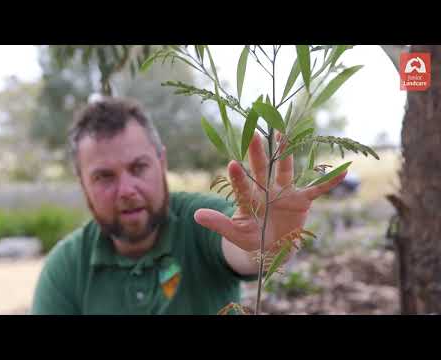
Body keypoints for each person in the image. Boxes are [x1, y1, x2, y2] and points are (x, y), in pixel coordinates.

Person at [31, 97, 346, 315]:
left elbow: (240, 246)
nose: (127, 190)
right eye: (104, 177)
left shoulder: (200, 220)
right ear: (82, 182)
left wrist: (268, 241)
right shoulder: (65, 270)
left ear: (161, 162)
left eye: (138, 167)